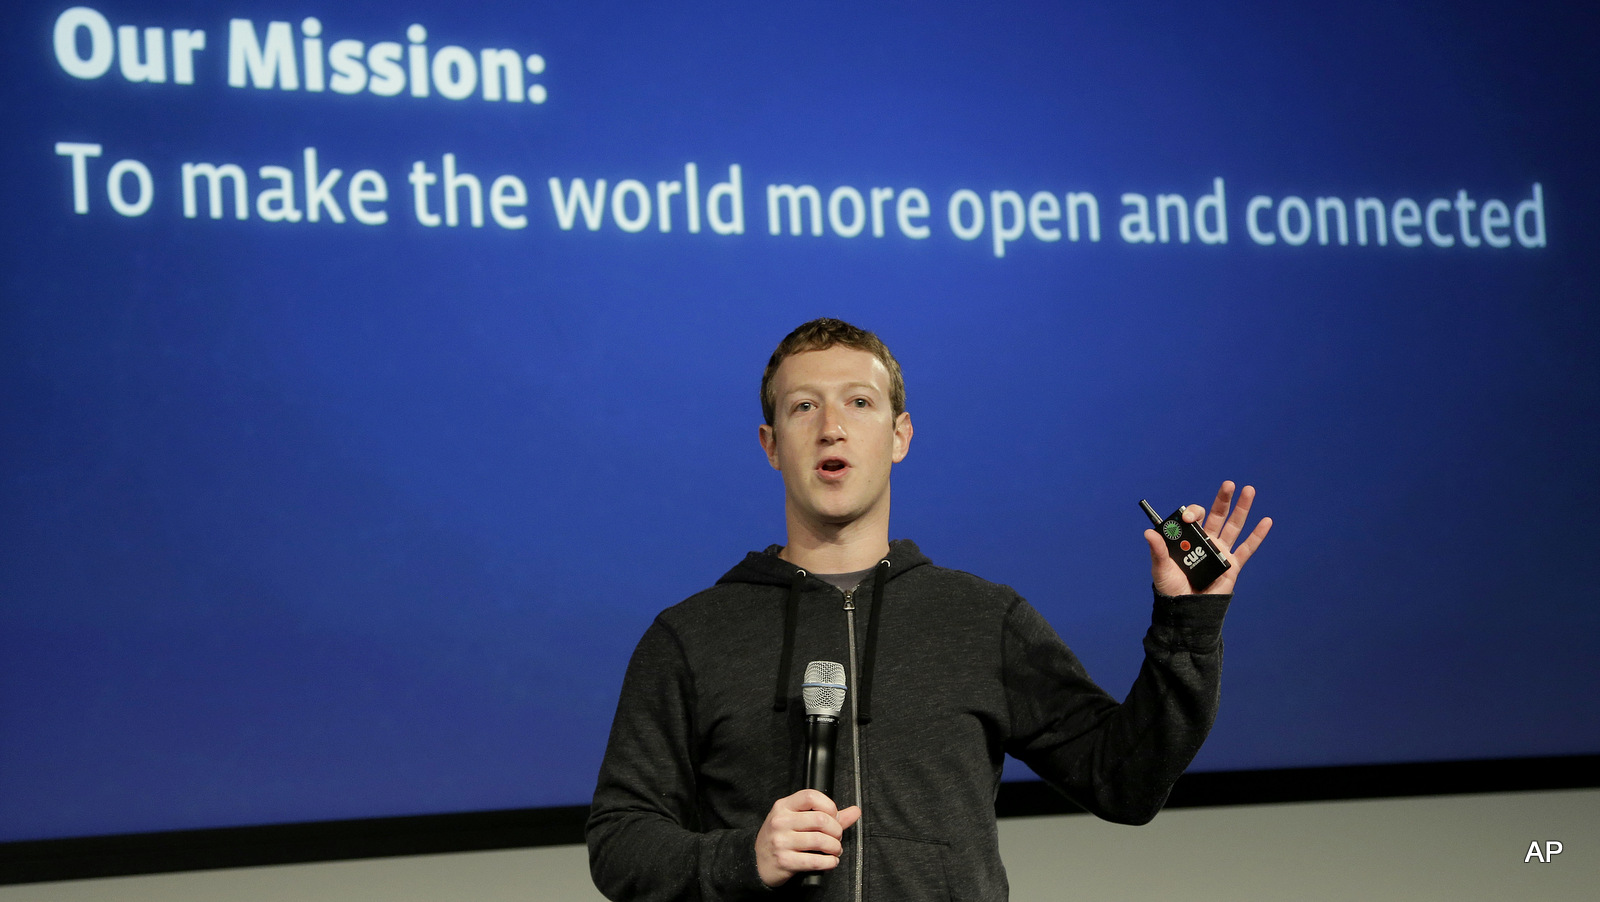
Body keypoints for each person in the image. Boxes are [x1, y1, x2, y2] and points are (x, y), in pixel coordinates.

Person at [587, 318, 1272, 901]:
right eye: (803, 407)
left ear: (900, 434)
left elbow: (1126, 781)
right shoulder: (691, 636)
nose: (831, 428)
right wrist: (744, 857)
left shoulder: (982, 619)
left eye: (859, 402)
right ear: (770, 445)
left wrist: (1189, 627)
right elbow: (620, 841)